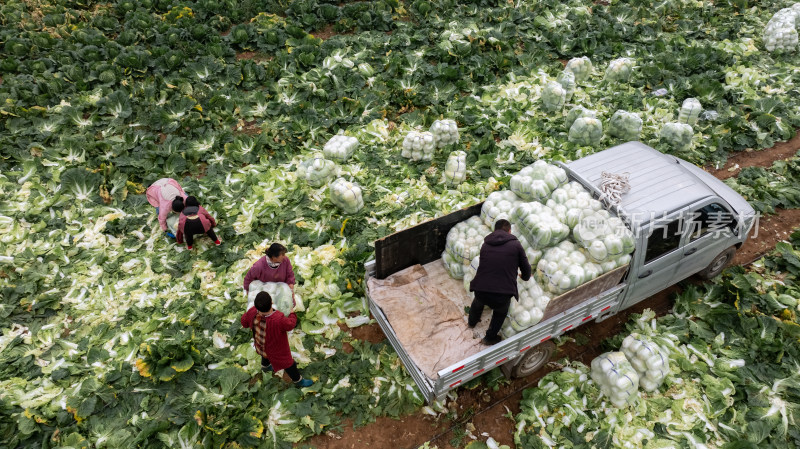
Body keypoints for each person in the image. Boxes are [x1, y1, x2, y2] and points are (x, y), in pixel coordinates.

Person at [468, 219, 532, 345]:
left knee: (478, 301)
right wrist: (524, 277)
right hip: (502, 294)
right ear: (509, 231)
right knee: (500, 312)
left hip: (480, 288)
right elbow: (526, 269)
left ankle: (471, 322)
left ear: (495, 230)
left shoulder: (485, 244)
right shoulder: (516, 245)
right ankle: (489, 337)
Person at [241, 291, 313, 387]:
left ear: (256, 305)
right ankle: (298, 380)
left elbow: (244, 322)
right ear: (271, 302)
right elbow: (291, 324)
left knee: (265, 355)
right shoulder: (278, 319)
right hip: (277, 350)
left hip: (260, 344)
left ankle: (265, 367)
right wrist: (292, 314)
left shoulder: (252, 311)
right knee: (288, 364)